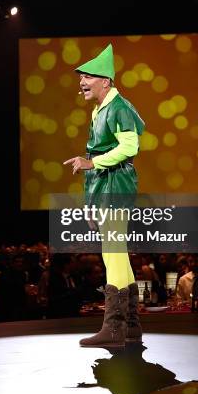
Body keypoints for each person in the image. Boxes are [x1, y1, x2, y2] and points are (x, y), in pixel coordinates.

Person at [63, 43, 145, 347]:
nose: (81, 82)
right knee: (114, 254)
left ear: (105, 81)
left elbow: (130, 147)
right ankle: (129, 326)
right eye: (80, 77)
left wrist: (92, 162)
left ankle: (115, 327)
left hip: (116, 187)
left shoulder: (119, 107)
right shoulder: (101, 109)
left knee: (113, 253)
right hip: (105, 185)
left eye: (87, 77)